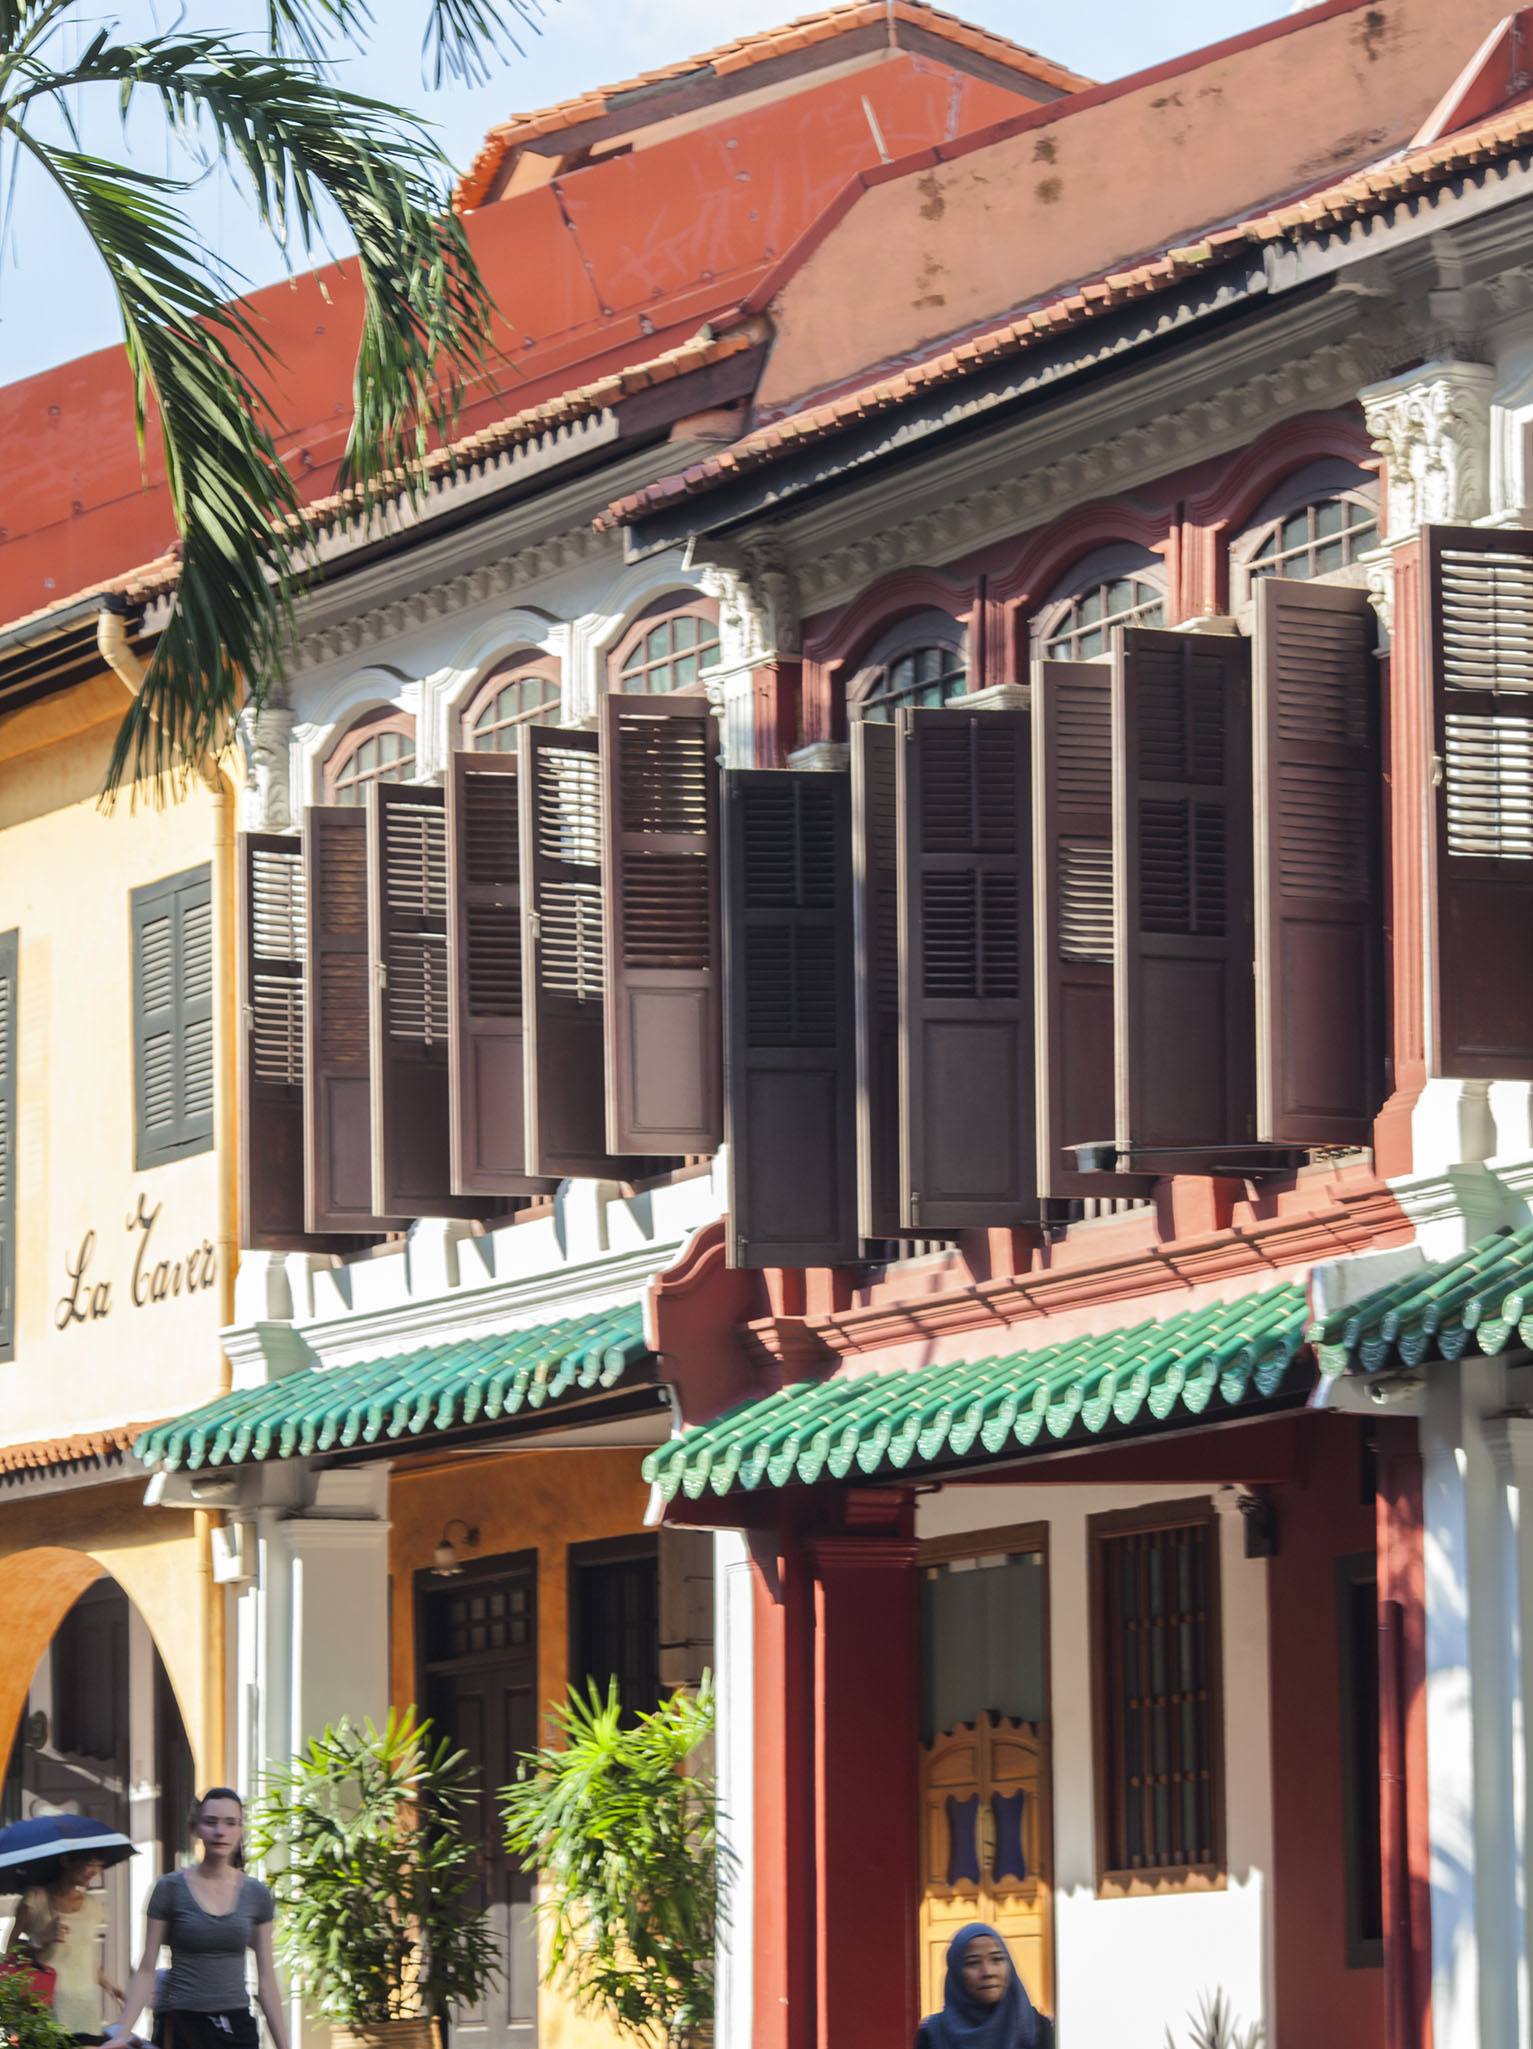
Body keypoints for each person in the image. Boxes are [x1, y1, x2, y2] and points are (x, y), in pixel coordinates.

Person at [100, 1791, 287, 2049]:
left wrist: (285, 2045)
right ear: (196, 1828)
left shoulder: (256, 1894)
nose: (220, 1831)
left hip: (236, 2024)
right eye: (211, 1822)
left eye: (230, 1823)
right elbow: (146, 1968)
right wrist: (123, 2032)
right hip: (182, 2024)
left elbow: (267, 1980)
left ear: (240, 1829)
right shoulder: (169, 1888)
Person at [4, 1851, 124, 2041]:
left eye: (99, 1864)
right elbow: (10, 1951)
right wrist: (40, 1939)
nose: (95, 1871)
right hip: (45, 2010)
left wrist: (109, 1985)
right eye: (90, 1862)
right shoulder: (35, 1899)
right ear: (66, 1860)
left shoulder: (93, 1906)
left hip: (85, 2008)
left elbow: (85, 1957)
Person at [916, 1923, 1055, 2049]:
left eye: (997, 1959)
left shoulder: (1037, 2027)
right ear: (956, 1973)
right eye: (973, 1963)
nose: (988, 1972)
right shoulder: (933, 2034)